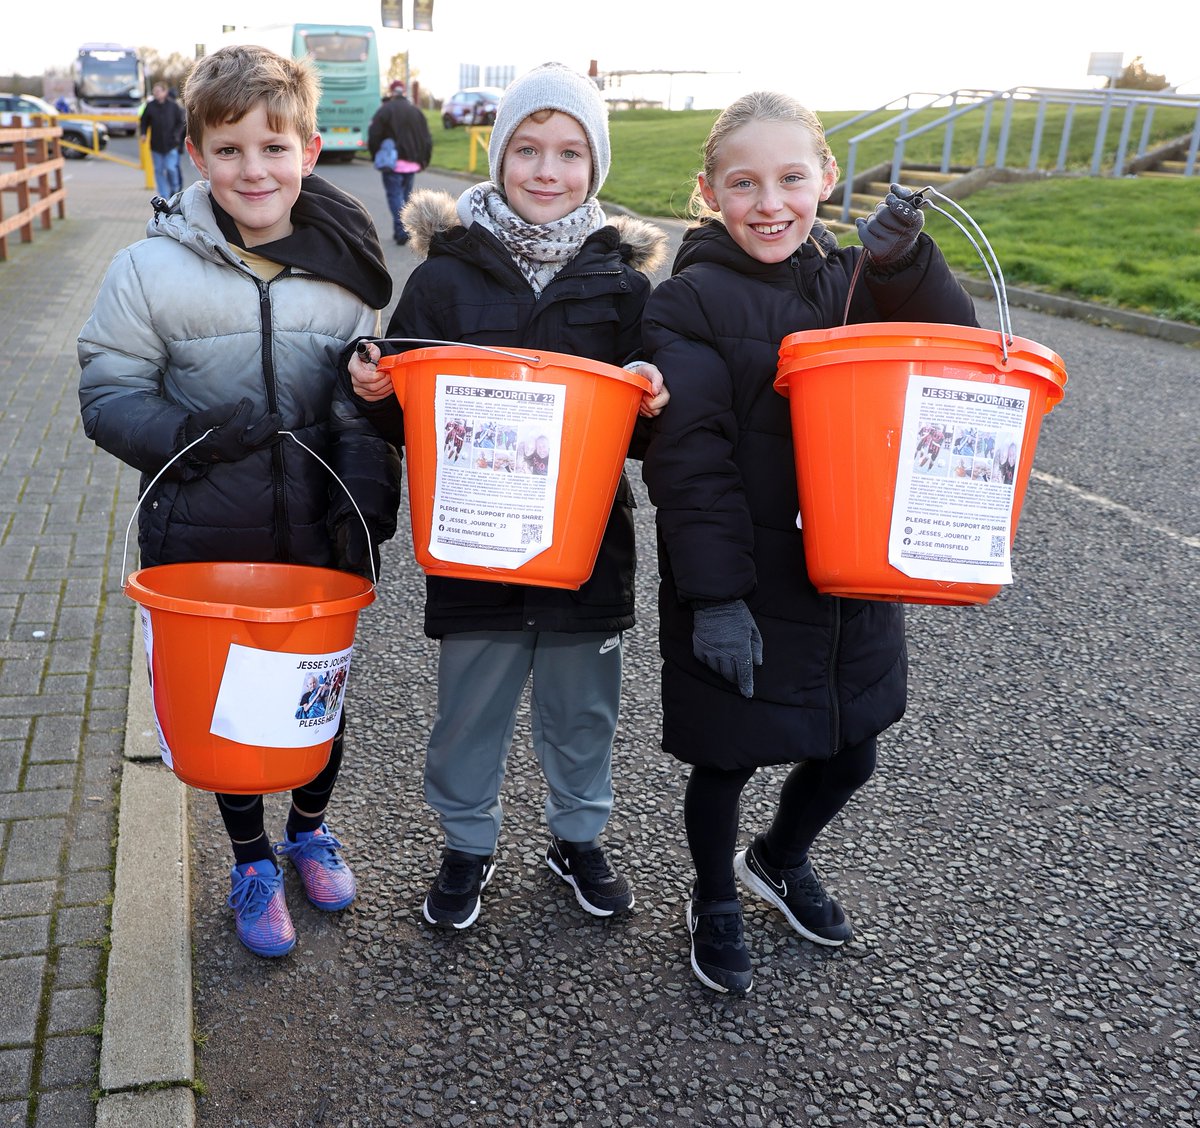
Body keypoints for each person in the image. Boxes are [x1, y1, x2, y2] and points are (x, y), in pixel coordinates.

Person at [640, 91, 978, 995]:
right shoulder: (686, 303)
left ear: (828, 177)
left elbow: (958, 357)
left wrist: (908, 265)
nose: (770, 202)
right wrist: (714, 598)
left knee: (851, 746)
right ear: (708, 193)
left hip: (850, 569)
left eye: (792, 178)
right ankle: (713, 892)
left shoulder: (855, 282)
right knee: (727, 754)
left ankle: (780, 857)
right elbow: (692, 461)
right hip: (742, 579)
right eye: (743, 183)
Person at [77, 44, 400, 958]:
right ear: (198, 153)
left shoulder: (345, 272)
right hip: (202, 527)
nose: (252, 170)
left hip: (313, 530)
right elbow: (107, 392)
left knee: (313, 696)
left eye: (272, 147)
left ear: (308, 148)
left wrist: (369, 490)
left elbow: (359, 398)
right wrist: (189, 437)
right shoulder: (149, 270)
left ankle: (310, 829)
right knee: (231, 707)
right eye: (228, 150)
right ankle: (251, 856)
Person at [344, 62, 668, 929]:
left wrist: (653, 395)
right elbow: (405, 415)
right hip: (476, 543)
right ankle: (465, 844)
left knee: (583, 713)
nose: (546, 170)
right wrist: (376, 393)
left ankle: (577, 836)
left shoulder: (622, 285)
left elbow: (641, 430)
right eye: (528, 148)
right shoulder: (445, 279)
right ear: (499, 156)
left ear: (594, 167)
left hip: (586, 552)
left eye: (569, 152)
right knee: (468, 713)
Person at [367, 79, 433, 246]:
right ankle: (408, 230)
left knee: (395, 196)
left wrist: (376, 155)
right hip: (411, 164)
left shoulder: (385, 110)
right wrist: (425, 159)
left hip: (392, 163)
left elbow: (373, 134)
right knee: (405, 196)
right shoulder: (416, 112)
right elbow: (427, 138)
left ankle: (402, 230)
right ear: (403, 92)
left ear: (391, 92)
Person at [140, 82, 187, 200]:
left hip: (171, 144)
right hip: (156, 145)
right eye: (154, 91)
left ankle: (175, 189)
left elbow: (181, 122)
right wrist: (143, 133)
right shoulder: (150, 106)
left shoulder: (173, 106)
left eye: (158, 91)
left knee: (171, 168)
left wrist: (176, 135)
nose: (156, 93)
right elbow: (144, 121)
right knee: (159, 170)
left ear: (165, 92)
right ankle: (164, 195)